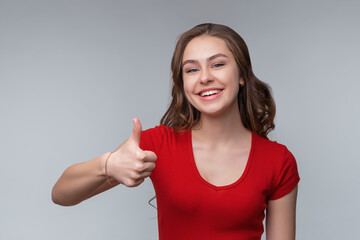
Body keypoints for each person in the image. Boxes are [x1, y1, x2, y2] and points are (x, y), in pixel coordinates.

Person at [52, 23, 300, 240]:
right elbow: (61, 194)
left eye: (217, 64)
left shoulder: (278, 161)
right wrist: (107, 164)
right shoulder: (157, 145)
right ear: (184, 84)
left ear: (242, 75)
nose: (204, 77)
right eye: (191, 69)